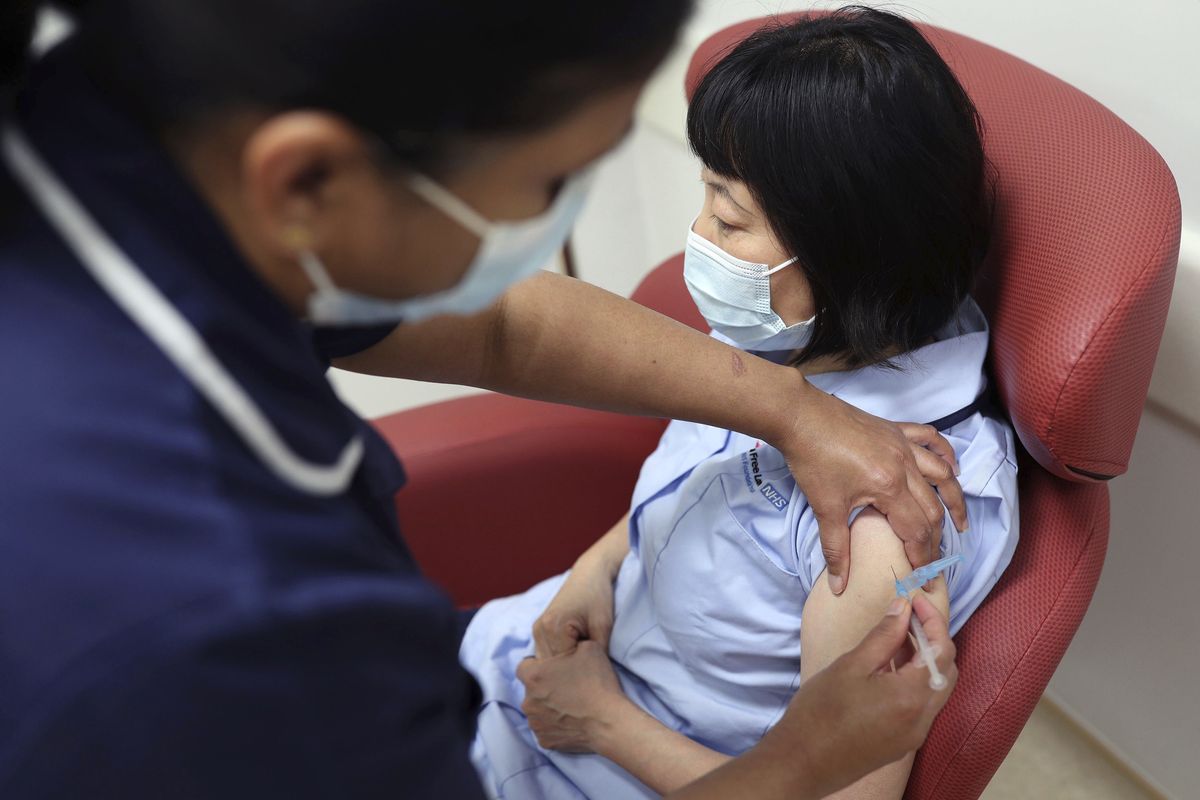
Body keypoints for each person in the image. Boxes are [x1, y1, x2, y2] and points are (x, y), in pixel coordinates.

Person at [0, 2, 960, 798]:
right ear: (309, 181)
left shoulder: (129, 151)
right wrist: (792, 765)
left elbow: (509, 327)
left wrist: (788, 408)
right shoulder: (226, 625)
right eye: (545, 180)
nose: (549, 220)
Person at [460, 8, 1017, 799]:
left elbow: (836, 789)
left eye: (728, 218)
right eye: (707, 201)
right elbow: (702, 475)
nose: (698, 235)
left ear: (850, 253)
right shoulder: (797, 341)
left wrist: (602, 723)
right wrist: (595, 568)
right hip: (523, 658)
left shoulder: (891, 528)